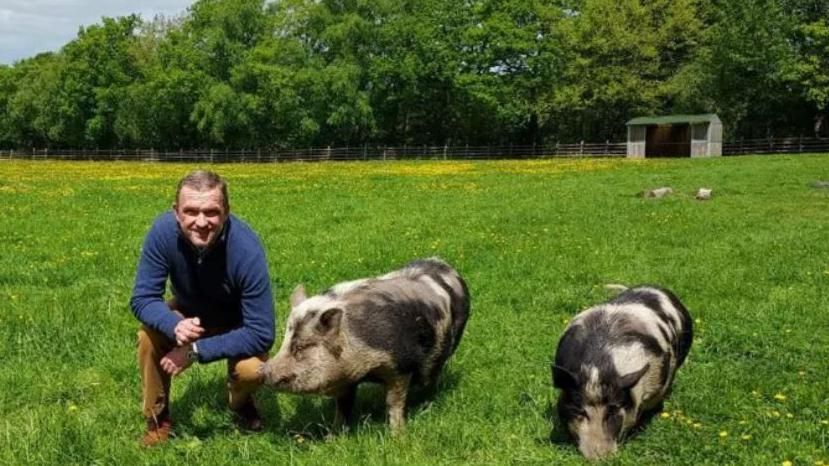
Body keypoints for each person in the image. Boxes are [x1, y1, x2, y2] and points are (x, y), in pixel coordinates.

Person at [130, 169, 275, 446]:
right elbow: (143, 297)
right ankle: (157, 419)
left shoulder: (246, 249)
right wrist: (173, 325)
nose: (201, 222)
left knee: (253, 370)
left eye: (211, 212)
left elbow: (262, 332)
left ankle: (239, 402)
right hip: (187, 312)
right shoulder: (162, 233)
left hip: (237, 322)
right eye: (191, 211)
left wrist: (195, 351)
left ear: (226, 211)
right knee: (148, 337)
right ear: (176, 212)